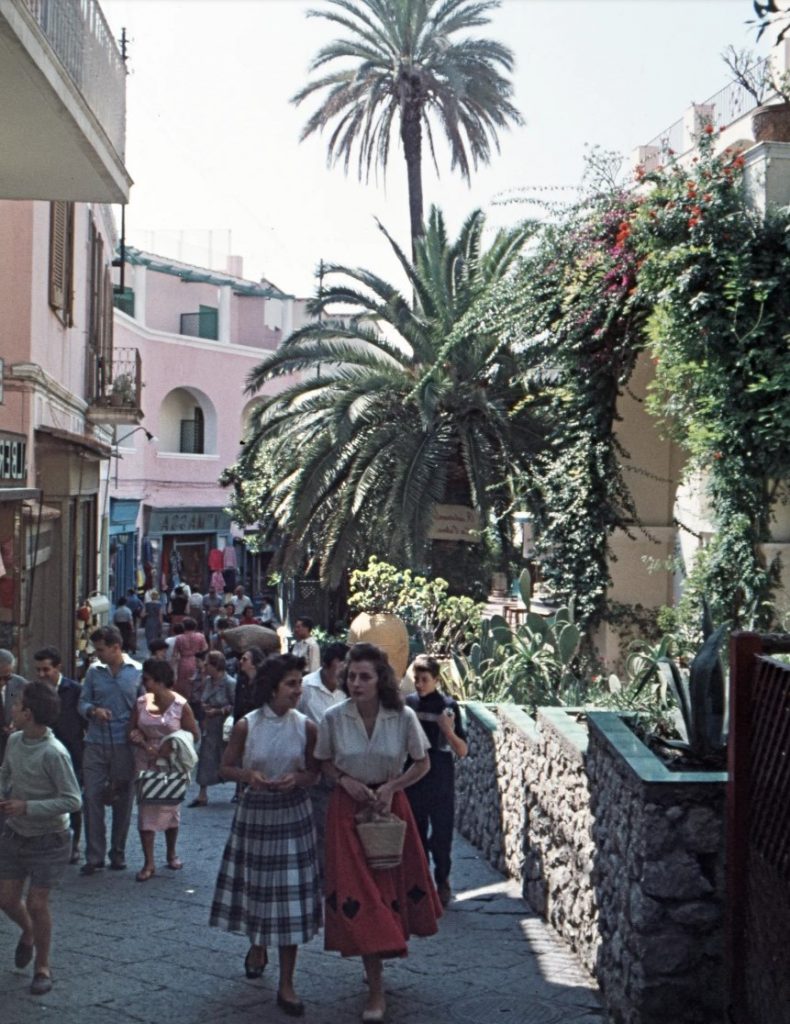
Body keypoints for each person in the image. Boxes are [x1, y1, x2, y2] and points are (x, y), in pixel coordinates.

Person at [314, 643, 442, 1022]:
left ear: (379, 679)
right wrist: (344, 781)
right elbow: (322, 763)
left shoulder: (402, 717)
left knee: (388, 890)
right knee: (362, 895)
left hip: (389, 811)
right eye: (351, 676)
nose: (356, 683)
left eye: (364, 677)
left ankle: (379, 959)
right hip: (347, 813)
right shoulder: (334, 718)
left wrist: (392, 787)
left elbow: (422, 762)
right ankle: (375, 989)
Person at [209, 654, 320, 1016]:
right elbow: (225, 767)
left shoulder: (306, 727)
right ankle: (257, 944)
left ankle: (287, 983)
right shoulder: (247, 725)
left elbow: (316, 774)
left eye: (300, 683)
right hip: (256, 813)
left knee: (290, 897)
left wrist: (298, 779)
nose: (298, 690)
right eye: (291, 684)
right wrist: (249, 777)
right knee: (256, 889)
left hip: (293, 814)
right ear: (273, 688)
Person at [0, 681, 82, 995]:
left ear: (29, 713)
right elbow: (6, 772)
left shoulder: (54, 753)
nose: (12, 707)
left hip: (50, 839)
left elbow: (73, 800)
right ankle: (30, 933)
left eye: (17, 703)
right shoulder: (15, 740)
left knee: (37, 902)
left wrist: (28, 807)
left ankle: (43, 966)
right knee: (6, 899)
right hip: (15, 833)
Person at [78, 626, 144, 875]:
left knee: (123, 800)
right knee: (91, 797)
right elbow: (82, 702)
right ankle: (94, 856)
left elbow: (145, 706)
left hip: (124, 746)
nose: (98, 654)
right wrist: (93, 711)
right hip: (95, 742)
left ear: (116, 647)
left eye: (102, 649)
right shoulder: (94, 673)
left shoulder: (136, 672)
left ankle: (118, 852)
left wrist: (140, 730)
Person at [405, 654, 468, 907]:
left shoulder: (448, 706)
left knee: (441, 837)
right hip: (413, 777)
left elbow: (462, 750)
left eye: (424, 680)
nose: (419, 685)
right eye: (416, 680)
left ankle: (442, 880)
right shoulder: (409, 704)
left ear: (436, 680)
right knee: (415, 838)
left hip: (440, 778)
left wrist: (447, 729)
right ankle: (420, 886)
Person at [128, 659, 199, 882]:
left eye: (147, 679)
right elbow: (131, 729)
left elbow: (194, 734)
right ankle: (148, 861)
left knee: (170, 807)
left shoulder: (180, 705)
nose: (144, 684)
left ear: (159, 681)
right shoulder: (140, 703)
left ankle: (171, 853)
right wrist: (141, 741)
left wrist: (172, 742)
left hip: (171, 763)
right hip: (146, 760)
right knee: (146, 810)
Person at [297, 641, 349, 880]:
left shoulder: (349, 690)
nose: (345, 670)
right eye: (342, 664)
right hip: (315, 767)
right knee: (319, 827)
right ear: (328, 665)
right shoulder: (306, 687)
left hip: (345, 769)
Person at [33, 647, 85, 865]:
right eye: (38, 670)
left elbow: (83, 720)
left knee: (71, 799)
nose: (42, 675)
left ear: (58, 668)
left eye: (46, 669)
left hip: (71, 752)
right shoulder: (34, 690)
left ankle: (73, 845)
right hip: (42, 752)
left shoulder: (74, 690)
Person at [189, 651, 235, 807]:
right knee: (205, 758)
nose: (204, 667)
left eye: (208, 664)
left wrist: (219, 711)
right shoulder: (208, 681)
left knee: (231, 758)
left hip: (224, 727)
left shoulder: (229, 683)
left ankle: (239, 790)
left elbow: (236, 706)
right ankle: (202, 794)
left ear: (216, 665)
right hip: (209, 725)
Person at [172, 617, 208, 701]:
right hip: (196, 660)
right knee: (196, 682)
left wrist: (172, 668)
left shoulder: (179, 638)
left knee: (183, 684)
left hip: (183, 662)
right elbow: (205, 648)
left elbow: (175, 655)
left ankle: (185, 701)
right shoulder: (200, 636)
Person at [0, 649, 27, 764]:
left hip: (13, 749)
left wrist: (17, 725)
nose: (2, 683)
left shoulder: (21, 685)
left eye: (6, 678)